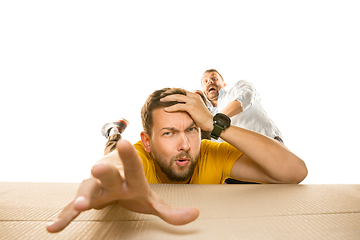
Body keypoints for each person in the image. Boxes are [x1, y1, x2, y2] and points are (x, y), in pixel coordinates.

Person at [47, 88, 307, 233]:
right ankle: (114, 130)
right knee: (116, 146)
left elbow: (295, 171)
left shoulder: (208, 151)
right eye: (169, 133)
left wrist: (215, 126)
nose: (184, 145)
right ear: (148, 142)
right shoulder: (140, 154)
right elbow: (115, 165)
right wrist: (106, 182)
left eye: (191, 129)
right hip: (122, 147)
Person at [199, 69, 283, 143]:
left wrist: (217, 121)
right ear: (203, 90)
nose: (210, 82)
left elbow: (245, 97)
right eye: (205, 81)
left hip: (267, 141)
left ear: (224, 84)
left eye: (214, 79)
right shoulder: (208, 115)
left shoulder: (238, 87)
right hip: (240, 156)